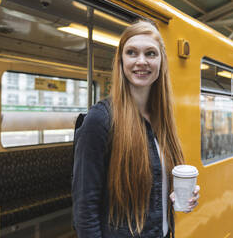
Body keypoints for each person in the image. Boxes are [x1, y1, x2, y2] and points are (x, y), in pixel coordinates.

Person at [72, 20, 200, 238]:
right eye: (132, 52)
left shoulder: (162, 120)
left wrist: (183, 195)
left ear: (161, 63)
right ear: (121, 62)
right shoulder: (101, 119)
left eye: (150, 53)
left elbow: (157, 186)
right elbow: (85, 210)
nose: (141, 61)